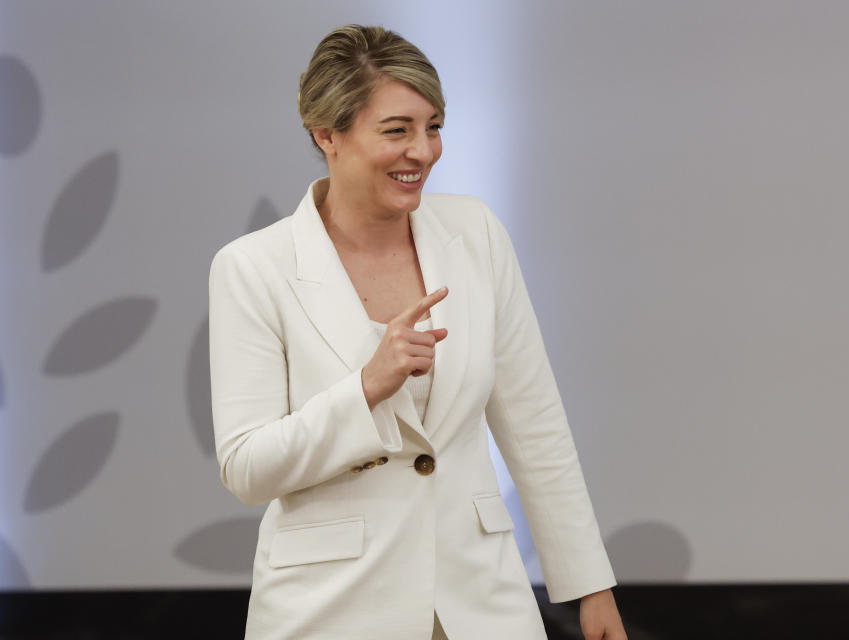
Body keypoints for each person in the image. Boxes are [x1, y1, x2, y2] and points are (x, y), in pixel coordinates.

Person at [209, 24, 626, 640]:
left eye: (432, 127)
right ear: (327, 134)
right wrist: (367, 388)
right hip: (329, 610)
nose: (423, 151)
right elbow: (247, 468)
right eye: (396, 130)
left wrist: (591, 588)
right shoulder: (251, 268)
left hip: (482, 603)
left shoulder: (475, 231)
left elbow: (536, 425)